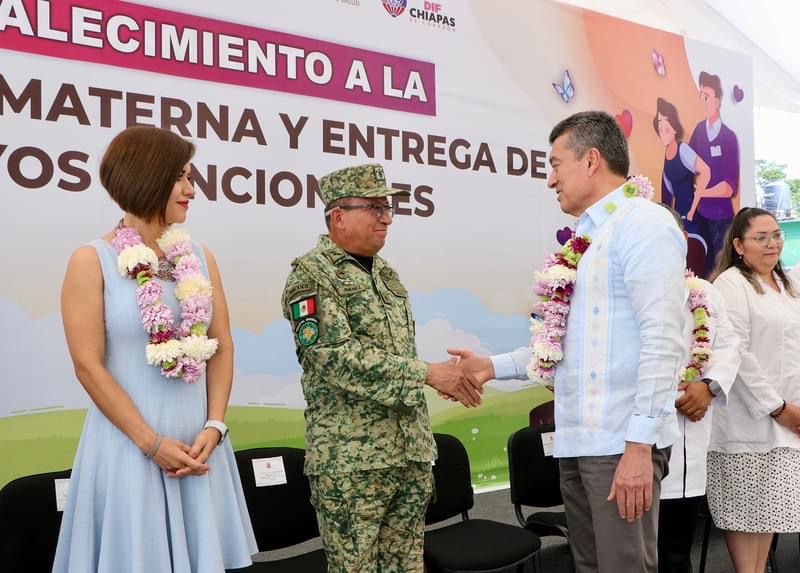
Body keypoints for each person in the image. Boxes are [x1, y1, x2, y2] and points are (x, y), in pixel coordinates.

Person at [450, 111, 687, 572]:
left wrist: (639, 446)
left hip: (621, 443)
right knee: (590, 567)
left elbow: (664, 341)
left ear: (592, 160)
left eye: (556, 164)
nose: (549, 179)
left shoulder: (644, 225)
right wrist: (490, 366)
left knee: (624, 567)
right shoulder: (584, 239)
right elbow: (565, 346)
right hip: (578, 441)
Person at [53, 126, 257, 572]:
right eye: (181, 177)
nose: (191, 190)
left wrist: (215, 427)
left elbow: (220, 349)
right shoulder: (92, 260)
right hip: (129, 449)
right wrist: (152, 444)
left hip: (198, 449)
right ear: (148, 177)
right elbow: (88, 366)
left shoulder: (200, 257)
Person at [280, 163, 481, 573]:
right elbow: (334, 358)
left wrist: (439, 376)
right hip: (352, 466)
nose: (386, 217)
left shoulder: (386, 273)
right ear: (338, 216)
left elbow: (394, 351)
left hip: (408, 456)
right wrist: (427, 373)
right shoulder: (311, 275)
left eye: (387, 207)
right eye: (373, 207)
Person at [706, 207, 800, 573]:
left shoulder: (787, 285)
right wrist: (778, 408)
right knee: (746, 524)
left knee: (767, 523)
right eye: (760, 238)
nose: (772, 243)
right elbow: (737, 355)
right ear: (739, 245)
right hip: (746, 425)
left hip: (785, 426)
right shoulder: (730, 284)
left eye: (776, 235)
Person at [656, 205, 740, 573]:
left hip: (688, 447)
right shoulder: (616, 293)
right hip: (632, 449)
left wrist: (707, 386)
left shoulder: (701, 291)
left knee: (676, 553)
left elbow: (728, 345)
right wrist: (680, 396)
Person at [688, 72, 740, 276]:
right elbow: (689, 164)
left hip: (722, 218)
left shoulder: (728, 138)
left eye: (707, 97)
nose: (703, 101)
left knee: (723, 270)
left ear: (717, 101)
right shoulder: (699, 131)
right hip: (701, 216)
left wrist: (701, 192)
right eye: (700, 96)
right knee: (702, 268)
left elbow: (728, 187)